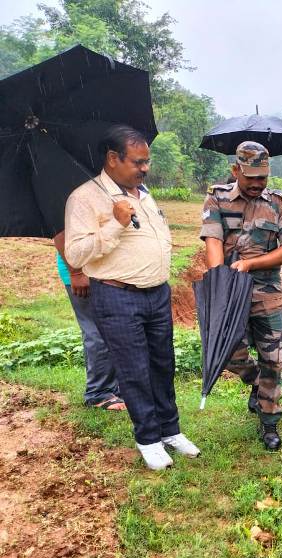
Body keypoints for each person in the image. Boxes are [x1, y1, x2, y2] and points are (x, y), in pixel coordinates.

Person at [64, 124, 199, 470]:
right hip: (116, 295)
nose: (145, 168)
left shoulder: (144, 193)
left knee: (162, 364)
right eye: (138, 162)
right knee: (134, 369)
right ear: (112, 158)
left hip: (157, 293)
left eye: (147, 162)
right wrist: (115, 223)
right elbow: (76, 255)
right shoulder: (84, 198)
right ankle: (149, 439)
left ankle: (170, 430)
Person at [200, 141, 282, 451]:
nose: (257, 184)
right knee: (229, 354)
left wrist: (251, 264)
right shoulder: (217, 198)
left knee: (275, 359)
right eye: (250, 177)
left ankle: (269, 422)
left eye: (263, 178)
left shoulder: (278, 202)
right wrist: (220, 280)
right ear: (236, 171)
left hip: (266, 294)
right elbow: (213, 241)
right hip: (231, 293)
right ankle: (259, 386)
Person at [53, 232, 124, 410]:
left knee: (116, 330)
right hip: (83, 272)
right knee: (96, 330)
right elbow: (59, 233)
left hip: (107, 270)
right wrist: (76, 272)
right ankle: (98, 392)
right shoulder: (66, 204)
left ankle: (116, 389)